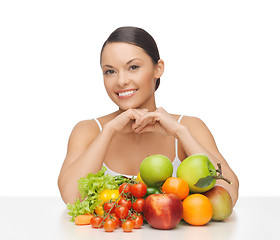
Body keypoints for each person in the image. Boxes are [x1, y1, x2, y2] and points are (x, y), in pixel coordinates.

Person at [58, 26, 239, 206]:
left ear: (158, 69)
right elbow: (71, 199)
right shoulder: (89, 131)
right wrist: (109, 131)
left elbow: (228, 193)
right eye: (110, 71)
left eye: (133, 67)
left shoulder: (189, 126)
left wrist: (179, 132)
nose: (121, 81)